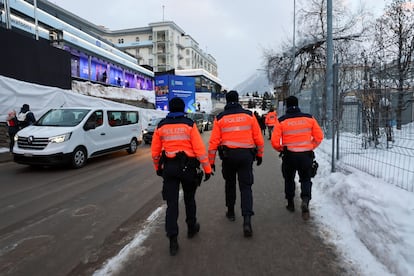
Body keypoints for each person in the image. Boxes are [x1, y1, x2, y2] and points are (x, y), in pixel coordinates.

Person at [151, 97, 212, 256]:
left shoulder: (161, 126)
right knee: (189, 199)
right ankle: (191, 228)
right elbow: (199, 149)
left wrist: (158, 167)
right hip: (188, 168)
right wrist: (207, 169)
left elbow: (155, 151)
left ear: (170, 109)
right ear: (183, 108)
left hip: (169, 168)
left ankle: (173, 239)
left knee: (172, 204)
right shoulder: (189, 124)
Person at [208, 90, 264, 237]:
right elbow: (258, 137)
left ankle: (231, 212)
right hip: (246, 156)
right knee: (246, 187)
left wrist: (211, 162)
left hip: (228, 157)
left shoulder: (220, 118)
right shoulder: (249, 115)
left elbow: (213, 142)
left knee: (230, 183)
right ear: (238, 100)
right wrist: (259, 154)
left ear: (226, 101)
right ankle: (247, 220)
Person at [271, 96, 324, 220]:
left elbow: (274, 141)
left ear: (287, 106)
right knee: (306, 179)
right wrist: (311, 146)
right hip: (306, 155)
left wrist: (281, 149)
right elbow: (319, 136)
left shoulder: (282, 120)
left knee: (289, 179)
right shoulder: (309, 118)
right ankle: (305, 200)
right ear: (297, 104)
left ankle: (290, 203)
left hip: (289, 155)